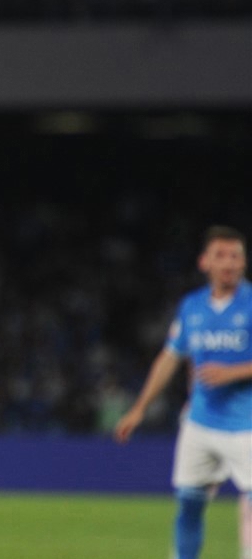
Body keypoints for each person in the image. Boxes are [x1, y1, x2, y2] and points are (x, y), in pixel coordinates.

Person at [114, 225, 252, 559]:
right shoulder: (192, 307)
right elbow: (169, 358)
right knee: (189, 504)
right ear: (205, 262)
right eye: (221, 255)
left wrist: (233, 372)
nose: (229, 263)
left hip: (246, 426)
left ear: (244, 262)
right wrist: (139, 408)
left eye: (235, 256)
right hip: (200, 422)